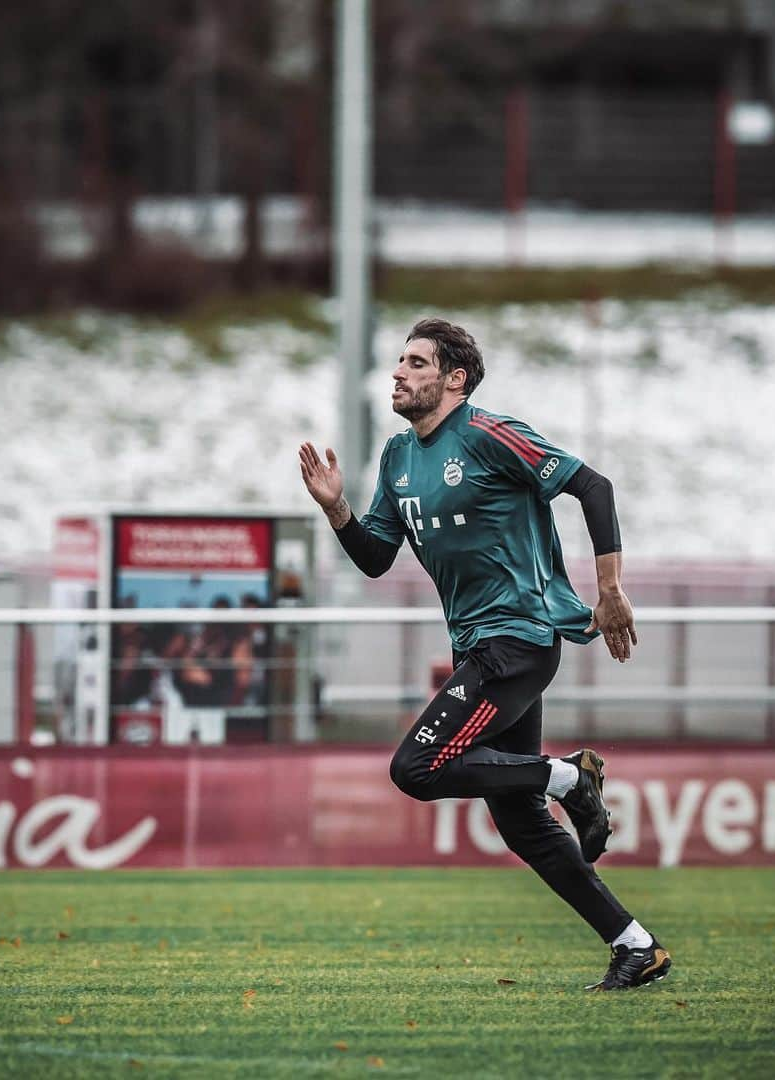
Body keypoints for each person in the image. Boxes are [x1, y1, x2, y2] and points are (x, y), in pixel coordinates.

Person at [298, 317, 671, 992]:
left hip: (520, 639)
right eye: (400, 361)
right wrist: (338, 512)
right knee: (523, 825)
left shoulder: (490, 434)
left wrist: (609, 590)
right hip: (482, 647)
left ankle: (568, 779)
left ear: (454, 379)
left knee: (416, 768)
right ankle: (634, 944)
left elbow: (596, 488)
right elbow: (378, 560)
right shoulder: (396, 457)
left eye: (416, 363)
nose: (399, 372)